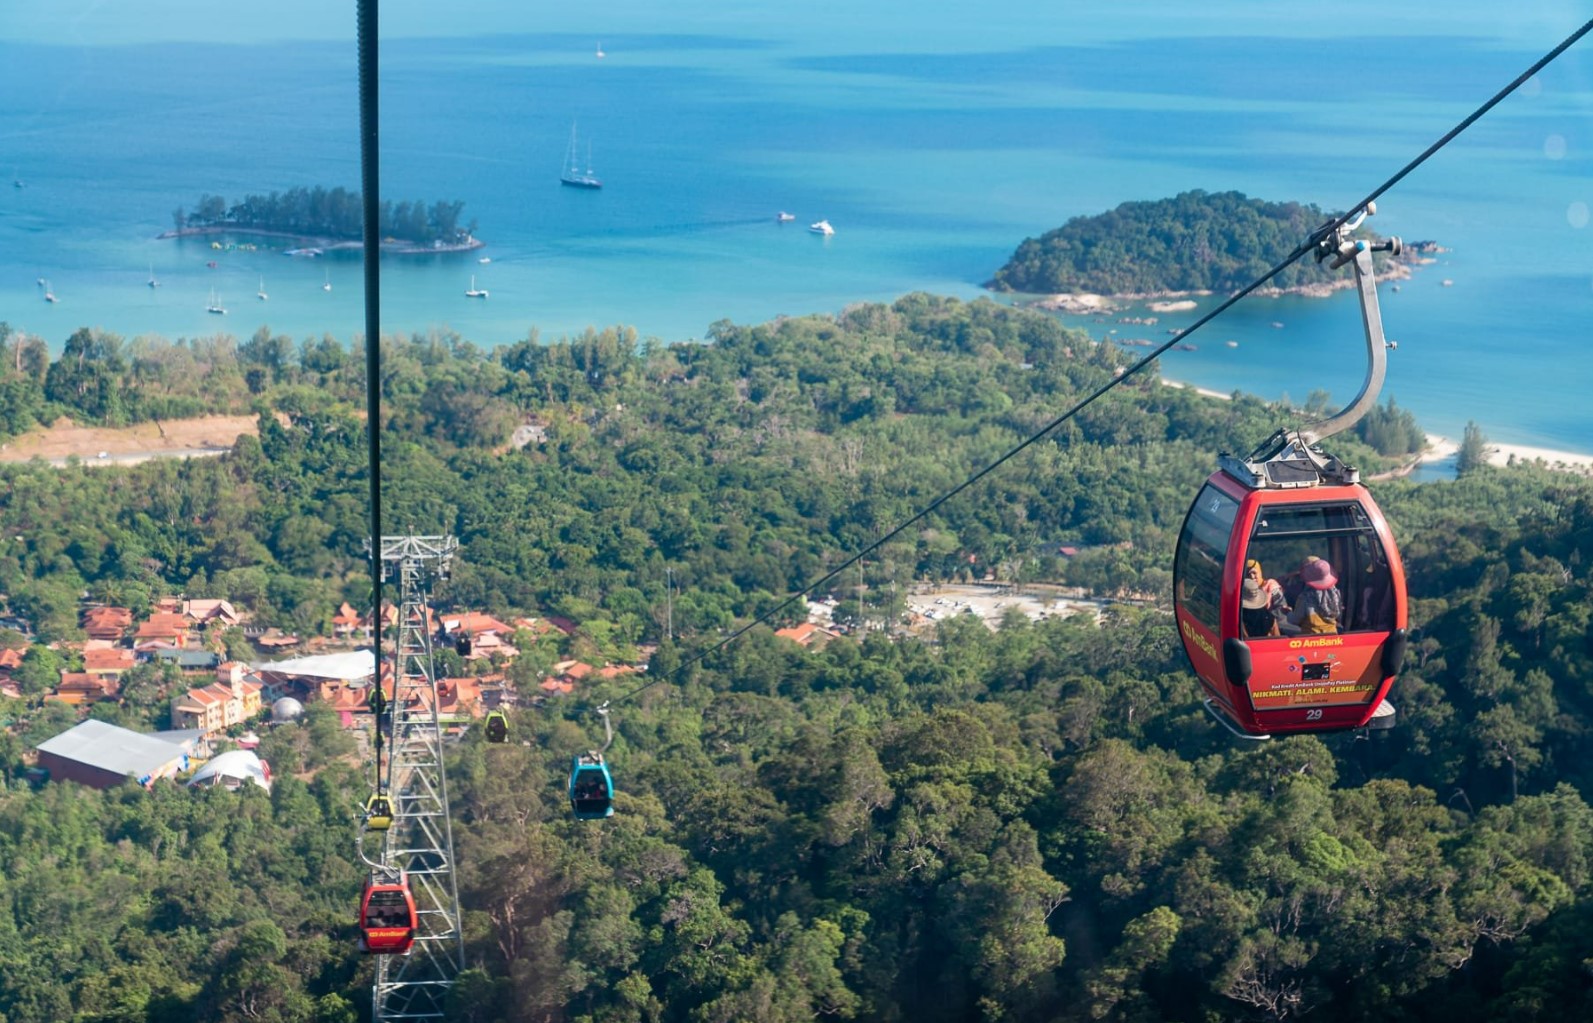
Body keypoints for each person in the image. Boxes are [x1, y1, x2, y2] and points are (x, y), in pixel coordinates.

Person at [1288, 557, 1343, 635]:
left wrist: (1288, 613)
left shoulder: (1305, 598)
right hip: (1333, 637)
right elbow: (1338, 616)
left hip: (1311, 639)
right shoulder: (1336, 594)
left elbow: (1295, 620)